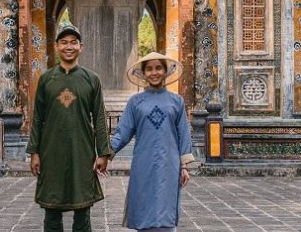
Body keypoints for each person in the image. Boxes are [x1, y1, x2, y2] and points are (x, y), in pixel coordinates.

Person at [27, 25, 112, 232]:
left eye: (73, 42)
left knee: (83, 209)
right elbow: (37, 117)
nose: (69, 46)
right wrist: (34, 152)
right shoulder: (47, 79)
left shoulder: (91, 79)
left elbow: (99, 117)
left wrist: (103, 153)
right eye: (64, 42)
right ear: (56, 47)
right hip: (50, 151)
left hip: (81, 151)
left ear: (80, 47)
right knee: (51, 208)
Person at [110, 52, 195, 232]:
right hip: (143, 162)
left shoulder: (177, 101)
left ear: (165, 71)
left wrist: (184, 166)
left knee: (166, 207)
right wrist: (106, 153)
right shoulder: (135, 102)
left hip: (169, 164)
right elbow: (122, 132)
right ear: (143, 73)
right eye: (149, 69)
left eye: (158, 68)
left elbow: (183, 133)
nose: (154, 72)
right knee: (143, 205)